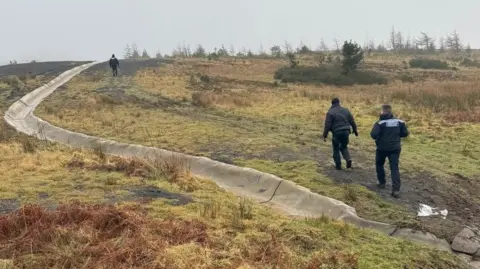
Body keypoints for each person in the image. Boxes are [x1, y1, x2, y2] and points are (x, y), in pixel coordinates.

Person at [370, 104, 409, 198]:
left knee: (379, 164)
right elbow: (405, 133)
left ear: (382, 111)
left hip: (382, 148)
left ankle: (382, 182)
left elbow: (373, 135)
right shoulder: (400, 122)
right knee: (394, 168)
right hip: (395, 148)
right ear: (391, 111)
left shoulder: (379, 123)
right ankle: (396, 190)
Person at [323, 97, 358, 170]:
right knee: (343, 146)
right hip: (346, 131)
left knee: (336, 148)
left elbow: (327, 125)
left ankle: (338, 166)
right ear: (339, 103)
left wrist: (325, 135)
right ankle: (348, 159)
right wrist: (355, 131)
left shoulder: (330, 112)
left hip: (336, 132)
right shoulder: (346, 110)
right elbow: (352, 121)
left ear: (332, 103)